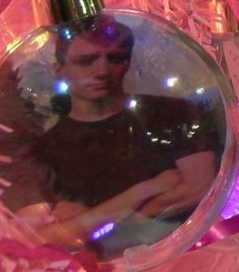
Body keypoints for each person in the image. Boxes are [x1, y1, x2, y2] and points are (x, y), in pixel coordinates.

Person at [15, 15, 217, 253]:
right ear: (59, 70)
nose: (102, 71)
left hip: (186, 254)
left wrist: (88, 221)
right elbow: (39, 238)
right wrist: (145, 190)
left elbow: (198, 189)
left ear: (128, 62)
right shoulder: (46, 148)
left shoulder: (171, 112)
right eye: (85, 61)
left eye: (116, 59)